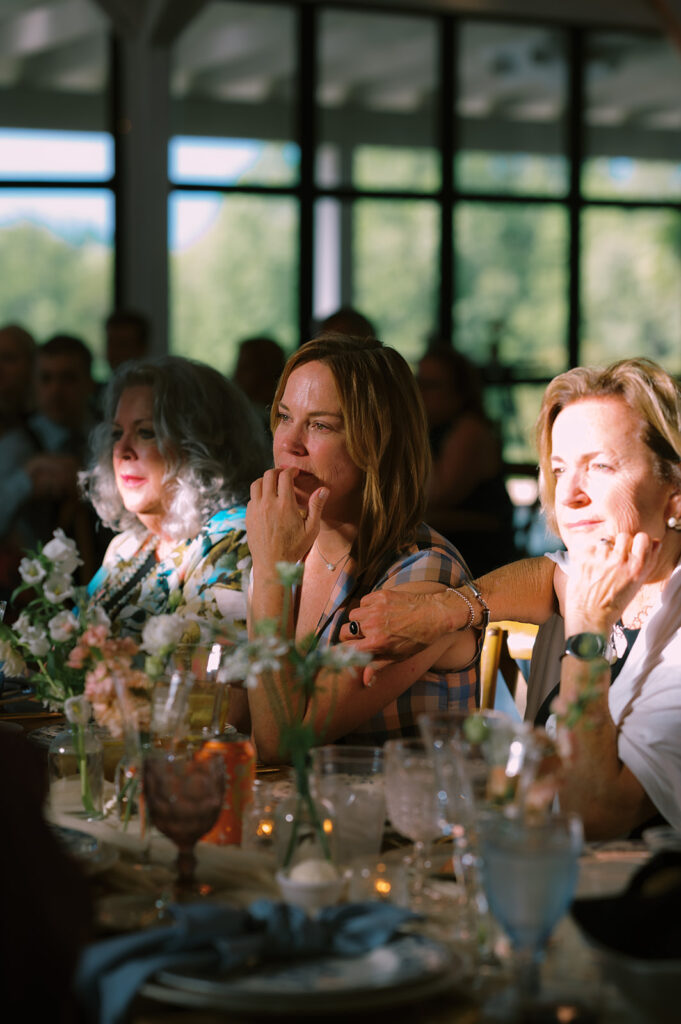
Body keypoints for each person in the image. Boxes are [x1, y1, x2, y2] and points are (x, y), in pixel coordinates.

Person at [342, 357, 681, 840]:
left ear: (675, 493)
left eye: (601, 466)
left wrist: (586, 633)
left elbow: (599, 814)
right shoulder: (601, 577)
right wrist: (439, 612)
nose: (570, 495)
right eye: (560, 469)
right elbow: (547, 572)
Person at [238, 335, 479, 763]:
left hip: (401, 823)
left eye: (320, 425)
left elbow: (281, 742)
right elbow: (244, 718)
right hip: (302, 816)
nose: (289, 443)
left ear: (377, 443)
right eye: (283, 417)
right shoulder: (286, 545)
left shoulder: (424, 572)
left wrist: (271, 573)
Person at [82, 356, 270, 639]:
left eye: (146, 432)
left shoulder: (234, 538)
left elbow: (201, 668)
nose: (122, 450)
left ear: (200, 442)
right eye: (116, 433)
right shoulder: (128, 546)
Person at [416, 344, 516, 576]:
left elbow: (436, 495)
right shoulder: (439, 429)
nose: (420, 393)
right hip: (447, 542)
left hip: (476, 553)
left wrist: (415, 428)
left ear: (458, 392)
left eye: (431, 386)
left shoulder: (469, 430)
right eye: (417, 382)